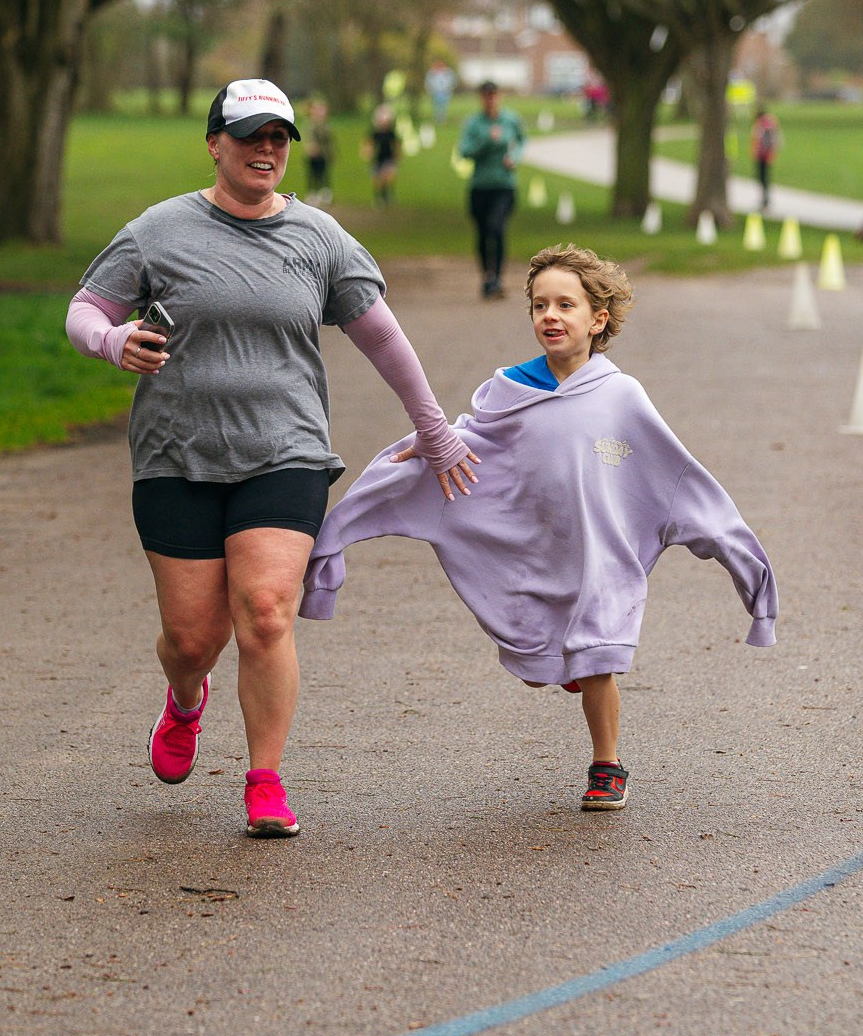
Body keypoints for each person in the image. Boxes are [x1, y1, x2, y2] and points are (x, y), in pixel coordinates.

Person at [64, 79, 482, 840]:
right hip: (175, 455)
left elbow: (384, 339)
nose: (266, 149)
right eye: (250, 134)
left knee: (263, 611)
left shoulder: (320, 239)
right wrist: (111, 339)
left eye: (279, 137)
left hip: (284, 454)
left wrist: (436, 429)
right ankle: (186, 699)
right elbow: (84, 309)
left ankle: (265, 779)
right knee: (193, 636)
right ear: (215, 143)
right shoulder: (158, 231)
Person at [299, 244, 778, 812]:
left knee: (596, 660)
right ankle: (561, 666)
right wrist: (423, 451)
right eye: (540, 305)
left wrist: (746, 569)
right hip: (535, 554)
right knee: (536, 669)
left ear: (597, 319)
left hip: (600, 560)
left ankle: (607, 765)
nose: (551, 315)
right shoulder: (510, 392)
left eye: (566, 305)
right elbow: (472, 446)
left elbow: (678, 480)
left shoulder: (622, 397)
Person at [456, 80, 527, 299]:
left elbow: (522, 141)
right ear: (481, 98)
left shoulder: (511, 120)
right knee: (482, 232)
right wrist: (487, 141)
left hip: (504, 185)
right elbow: (465, 152)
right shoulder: (473, 123)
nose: (490, 99)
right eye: (486, 95)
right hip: (480, 186)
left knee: (496, 227)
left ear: (499, 96)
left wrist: (513, 157)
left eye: (494, 95)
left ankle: (496, 277)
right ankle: (486, 275)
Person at [364, 103, 400, 207]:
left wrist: (397, 155)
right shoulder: (375, 133)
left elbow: (396, 145)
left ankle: (387, 196)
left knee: (387, 178)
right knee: (377, 180)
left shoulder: (391, 133)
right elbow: (369, 144)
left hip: (388, 158)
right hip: (377, 159)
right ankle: (379, 198)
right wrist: (368, 153)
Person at [302, 98, 333, 205]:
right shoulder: (310, 125)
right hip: (312, 156)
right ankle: (312, 194)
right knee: (312, 175)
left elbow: (329, 141)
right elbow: (309, 140)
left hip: (323, 155)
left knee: (323, 173)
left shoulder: (326, 126)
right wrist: (311, 148)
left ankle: (324, 193)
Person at [751, 106, 781, 211]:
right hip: (765, 155)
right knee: (764, 177)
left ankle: (765, 198)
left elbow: (758, 139)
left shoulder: (763, 125)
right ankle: (765, 197)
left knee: (763, 177)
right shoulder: (770, 124)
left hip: (762, 155)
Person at [425, 60, 456, 129]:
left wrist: (449, 89)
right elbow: (428, 83)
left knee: (444, 108)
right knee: (437, 108)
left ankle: (443, 121)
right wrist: (430, 91)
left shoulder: (448, 72)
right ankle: (437, 120)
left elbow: (452, 81)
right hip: (436, 92)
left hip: (445, 92)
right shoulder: (432, 73)